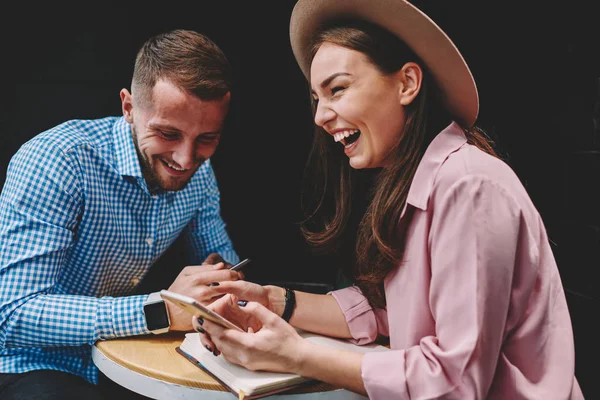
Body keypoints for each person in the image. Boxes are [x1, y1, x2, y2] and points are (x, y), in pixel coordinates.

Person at [195, 1, 584, 399]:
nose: (320, 116)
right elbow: (386, 313)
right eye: (317, 98)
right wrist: (272, 300)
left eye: (338, 89)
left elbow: (457, 382)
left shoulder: (469, 186)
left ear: (407, 84)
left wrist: (296, 355)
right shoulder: (417, 186)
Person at [0, 29, 243, 399]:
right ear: (128, 108)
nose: (185, 159)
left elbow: (220, 263)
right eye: (167, 133)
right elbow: (14, 315)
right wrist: (160, 310)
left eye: (206, 138)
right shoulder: (57, 161)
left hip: (120, 359)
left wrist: (225, 287)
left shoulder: (199, 174)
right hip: (27, 361)